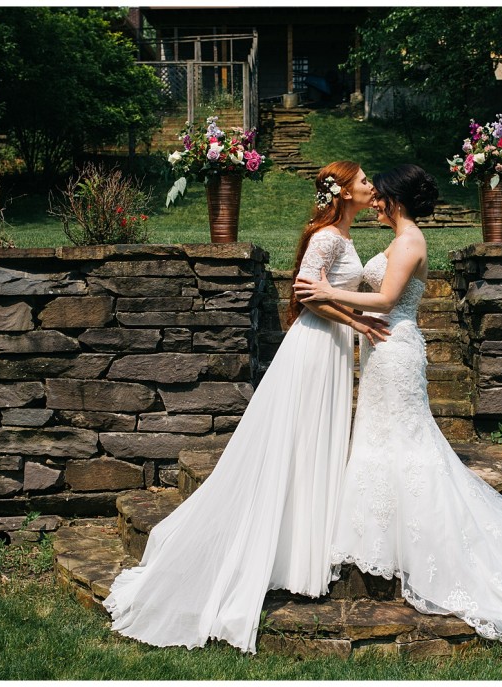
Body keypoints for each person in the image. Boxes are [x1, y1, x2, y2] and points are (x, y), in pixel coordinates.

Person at [293, 164, 502, 646]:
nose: (374, 200)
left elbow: (389, 297)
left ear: (396, 198)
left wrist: (329, 292)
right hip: (382, 347)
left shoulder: (410, 239)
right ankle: (378, 528)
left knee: (408, 441)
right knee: (382, 436)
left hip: (395, 347)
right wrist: (346, 312)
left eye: (380, 194)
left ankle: (420, 535)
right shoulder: (399, 236)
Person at [103, 161, 388, 653]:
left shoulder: (342, 235)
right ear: (341, 193)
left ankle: (302, 549)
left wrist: (357, 319)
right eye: (363, 181)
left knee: (314, 440)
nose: (370, 186)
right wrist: (357, 321)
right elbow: (306, 293)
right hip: (316, 347)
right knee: (299, 437)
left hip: (334, 346)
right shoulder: (326, 238)